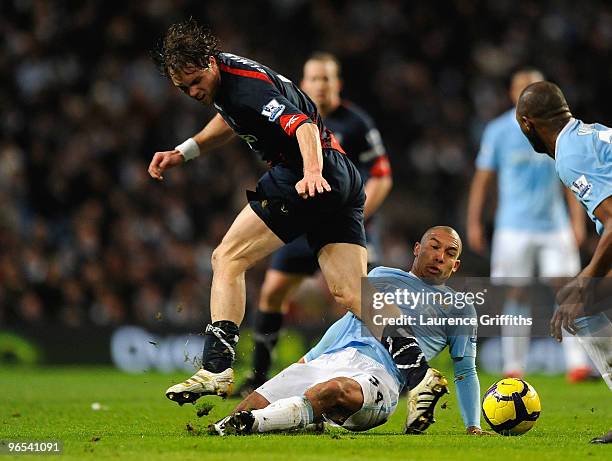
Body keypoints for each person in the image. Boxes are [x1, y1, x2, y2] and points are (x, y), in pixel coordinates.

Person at [148, 19, 445, 431]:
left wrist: (309, 172)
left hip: (305, 174)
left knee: (227, 257)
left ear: (210, 63)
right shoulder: (226, 80)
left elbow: (302, 125)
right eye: (184, 89)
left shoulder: (246, 88)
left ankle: (217, 367)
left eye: (197, 82)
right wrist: (186, 151)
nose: (194, 92)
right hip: (343, 179)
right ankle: (420, 375)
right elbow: (231, 120)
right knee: (350, 292)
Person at [212, 227, 489, 436]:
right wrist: (308, 360)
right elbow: (346, 323)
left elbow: (465, 370)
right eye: (434, 247)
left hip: (381, 376)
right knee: (250, 404)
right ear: (417, 248)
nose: (439, 257)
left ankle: (257, 424)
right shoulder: (381, 276)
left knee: (331, 390)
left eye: (449, 254)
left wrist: (473, 425)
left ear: (456, 266)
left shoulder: (459, 308)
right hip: (334, 359)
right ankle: (272, 420)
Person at [242, 52, 393, 394]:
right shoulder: (290, 117)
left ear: (337, 83)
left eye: (327, 78)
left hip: (343, 223)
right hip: (301, 222)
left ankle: (387, 367)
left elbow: (382, 176)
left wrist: (359, 213)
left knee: (353, 299)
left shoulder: (357, 123)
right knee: (273, 293)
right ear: (303, 83)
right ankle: (259, 375)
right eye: (314, 78)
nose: (320, 86)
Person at [467, 69, 590, 380]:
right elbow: (483, 180)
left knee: (567, 290)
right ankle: (514, 366)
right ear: (512, 94)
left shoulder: (556, 129)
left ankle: (577, 364)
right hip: (513, 228)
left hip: (554, 226)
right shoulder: (498, 131)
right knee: (515, 295)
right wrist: (475, 223)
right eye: (521, 88)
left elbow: (569, 177)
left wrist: (577, 221)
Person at [516, 80, 612, 444]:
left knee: (580, 301)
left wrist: (586, 280)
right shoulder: (593, 134)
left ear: (528, 123)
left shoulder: (571, 155)